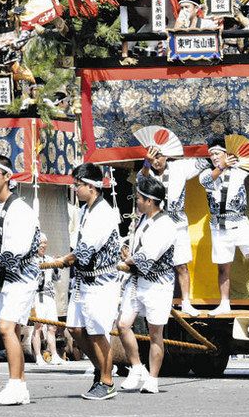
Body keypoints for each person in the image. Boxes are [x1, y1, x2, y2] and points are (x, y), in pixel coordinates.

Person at [198, 139, 249, 314]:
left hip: (239, 222)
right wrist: (221, 167)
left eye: (217, 153)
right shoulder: (207, 173)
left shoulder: (239, 170)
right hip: (219, 226)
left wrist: (236, 159)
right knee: (223, 267)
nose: (214, 157)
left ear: (226, 153)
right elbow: (206, 182)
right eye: (211, 154)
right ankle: (224, 303)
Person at [60, 163, 121, 401]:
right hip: (83, 280)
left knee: (97, 332)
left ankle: (107, 382)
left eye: (78, 185)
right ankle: (101, 368)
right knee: (74, 328)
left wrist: (64, 260)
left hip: (101, 281)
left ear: (91, 187)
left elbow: (85, 249)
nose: (75, 189)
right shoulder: (86, 210)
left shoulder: (103, 213)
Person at [0, 156, 41, 406]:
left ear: (7, 177)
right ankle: (20, 385)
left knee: (7, 328)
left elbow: (16, 249)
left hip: (22, 275)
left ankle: (15, 385)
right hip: (4, 276)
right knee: (11, 330)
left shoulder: (20, 209)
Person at [117, 175, 175, 394]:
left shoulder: (166, 225)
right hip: (136, 281)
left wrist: (127, 261)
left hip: (158, 284)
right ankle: (136, 367)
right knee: (123, 325)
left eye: (139, 198)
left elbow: (147, 256)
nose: (137, 201)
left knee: (155, 333)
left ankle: (153, 378)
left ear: (150, 201)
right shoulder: (142, 219)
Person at [134, 127, 200, 317]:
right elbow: (141, 178)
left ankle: (186, 302)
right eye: (153, 158)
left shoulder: (180, 168)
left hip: (178, 224)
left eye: (159, 156)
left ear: (167, 155)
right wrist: (146, 162)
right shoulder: (148, 173)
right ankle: (157, 301)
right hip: (156, 226)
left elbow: (203, 160)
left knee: (181, 265)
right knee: (153, 263)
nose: (156, 161)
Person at [29, 233, 62, 365]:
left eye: (45, 243)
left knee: (52, 327)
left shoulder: (49, 259)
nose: (43, 246)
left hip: (49, 296)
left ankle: (54, 355)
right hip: (37, 296)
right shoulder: (30, 260)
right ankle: (38, 356)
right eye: (40, 243)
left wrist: (56, 266)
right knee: (38, 327)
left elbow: (57, 278)